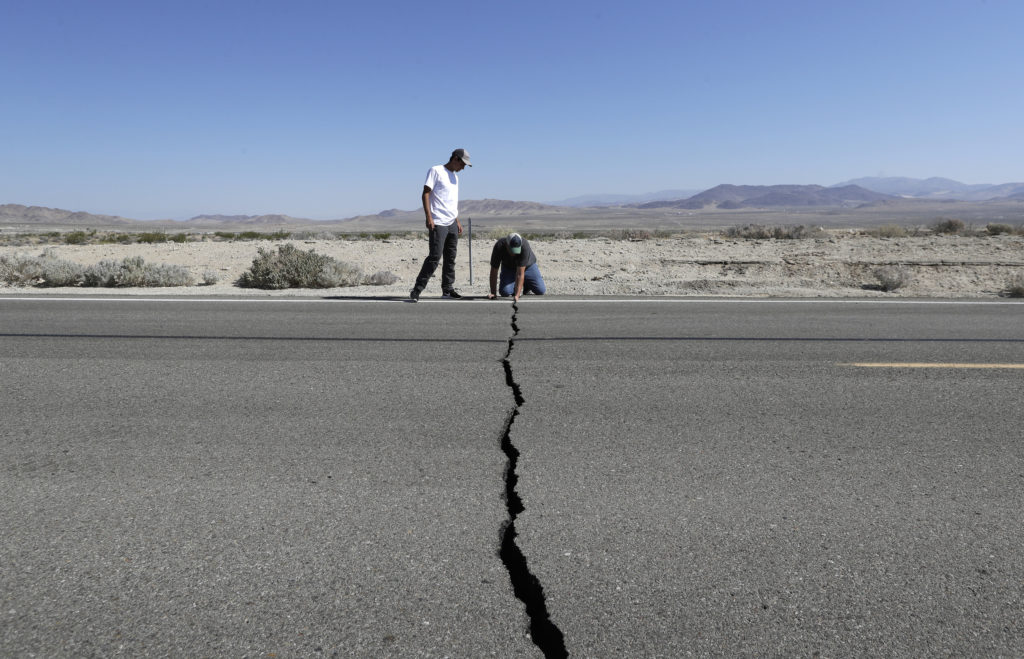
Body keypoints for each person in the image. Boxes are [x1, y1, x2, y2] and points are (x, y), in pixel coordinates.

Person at [410, 148, 471, 302]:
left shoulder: (455, 177)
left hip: (451, 222)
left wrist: (457, 220)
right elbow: (425, 193)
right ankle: (417, 289)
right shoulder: (435, 170)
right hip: (438, 221)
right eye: (463, 164)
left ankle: (447, 289)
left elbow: (451, 201)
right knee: (435, 257)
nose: (463, 168)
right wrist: (428, 217)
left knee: (451, 258)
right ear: (455, 159)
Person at [488, 232, 546, 301]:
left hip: (528, 267)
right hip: (509, 268)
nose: (514, 253)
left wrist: (517, 295)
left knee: (541, 290)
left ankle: (526, 284)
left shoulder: (524, 245)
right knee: (505, 292)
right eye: (512, 250)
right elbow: (494, 271)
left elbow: (520, 273)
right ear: (507, 244)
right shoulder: (499, 246)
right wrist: (493, 293)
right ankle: (516, 283)